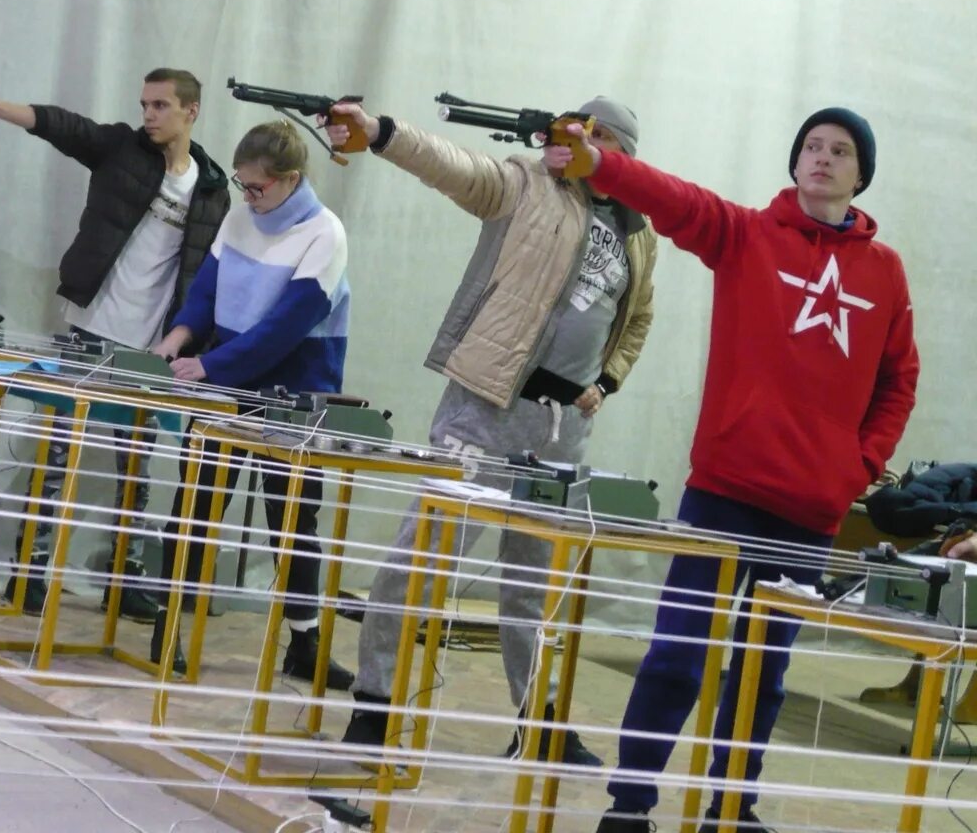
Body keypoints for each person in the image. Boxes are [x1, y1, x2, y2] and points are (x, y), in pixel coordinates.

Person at [545, 109, 920, 832]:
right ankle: (629, 807)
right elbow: (675, 197)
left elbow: (898, 381)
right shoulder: (746, 234)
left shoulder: (887, 272)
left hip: (810, 512)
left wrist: (858, 465)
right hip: (722, 492)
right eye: (812, 146)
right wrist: (600, 164)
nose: (822, 158)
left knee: (763, 674)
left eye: (840, 151)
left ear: (860, 174)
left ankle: (732, 809)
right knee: (676, 655)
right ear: (795, 160)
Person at [321, 97, 659, 766]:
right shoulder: (526, 185)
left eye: (604, 141)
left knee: (532, 587)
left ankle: (537, 723)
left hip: (562, 433)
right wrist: (385, 132)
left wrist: (609, 380)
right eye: (581, 135)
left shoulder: (637, 230)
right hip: (486, 406)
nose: (589, 148)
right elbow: (452, 166)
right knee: (421, 559)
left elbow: (639, 315)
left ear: (621, 152)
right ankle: (375, 704)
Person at [0, 70, 230, 620]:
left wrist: (183, 342)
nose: (149, 114)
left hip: (151, 349)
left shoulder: (213, 188)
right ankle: (28, 574)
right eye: (144, 104)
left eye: (160, 105)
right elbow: (59, 125)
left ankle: (124, 580)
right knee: (58, 457)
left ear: (191, 111)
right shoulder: (120, 149)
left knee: (137, 467)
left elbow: (206, 274)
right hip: (91, 327)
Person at [149, 120, 354, 688]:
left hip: (290, 391)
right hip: (226, 377)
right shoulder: (241, 216)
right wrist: (179, 336)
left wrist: (208, 365)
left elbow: (283, 330)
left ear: (290, 180)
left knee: (292, 523)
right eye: (242, 186)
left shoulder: (325, 234)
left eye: (258, 188)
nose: (248, 198)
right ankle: (168, 627)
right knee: (194, 507)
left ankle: (305, 643)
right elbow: (207, 290)